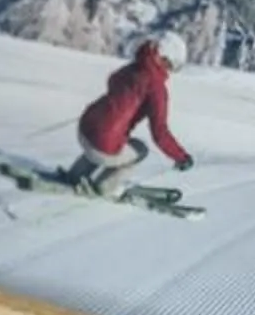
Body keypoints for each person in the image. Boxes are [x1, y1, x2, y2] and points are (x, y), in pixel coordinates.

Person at [66, 36, 195, 197]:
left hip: (85, 128)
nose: (169, 70)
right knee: (140, 149)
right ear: (165, 59)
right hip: (101, 146)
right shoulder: (156, 88)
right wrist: (181, 157)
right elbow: (159, 132)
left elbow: (113, 79)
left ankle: (75, 174)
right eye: (172, 65)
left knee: (108, 136)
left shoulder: (135, 66)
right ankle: (105, 187)